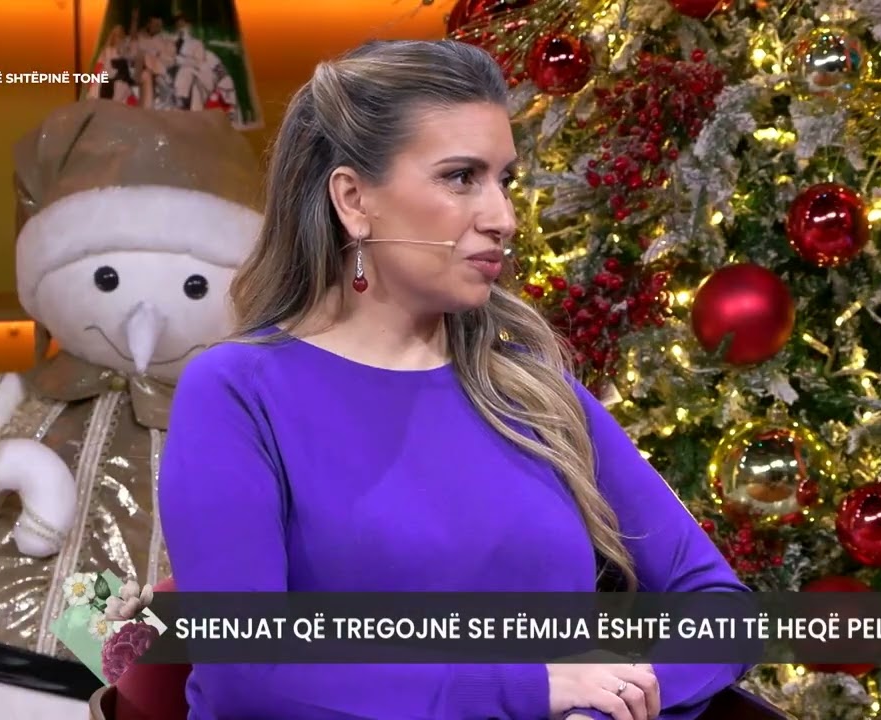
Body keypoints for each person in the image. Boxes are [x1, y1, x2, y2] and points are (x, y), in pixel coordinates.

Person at [157, 39, 752, 720]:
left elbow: (722, 610)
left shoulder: (531, 390)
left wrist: (607, 703)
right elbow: (246, 674)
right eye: (461, 177)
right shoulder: (237, 392)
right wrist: (527, 688)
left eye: (505, 181)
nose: (502, 218)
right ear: (353, 199)